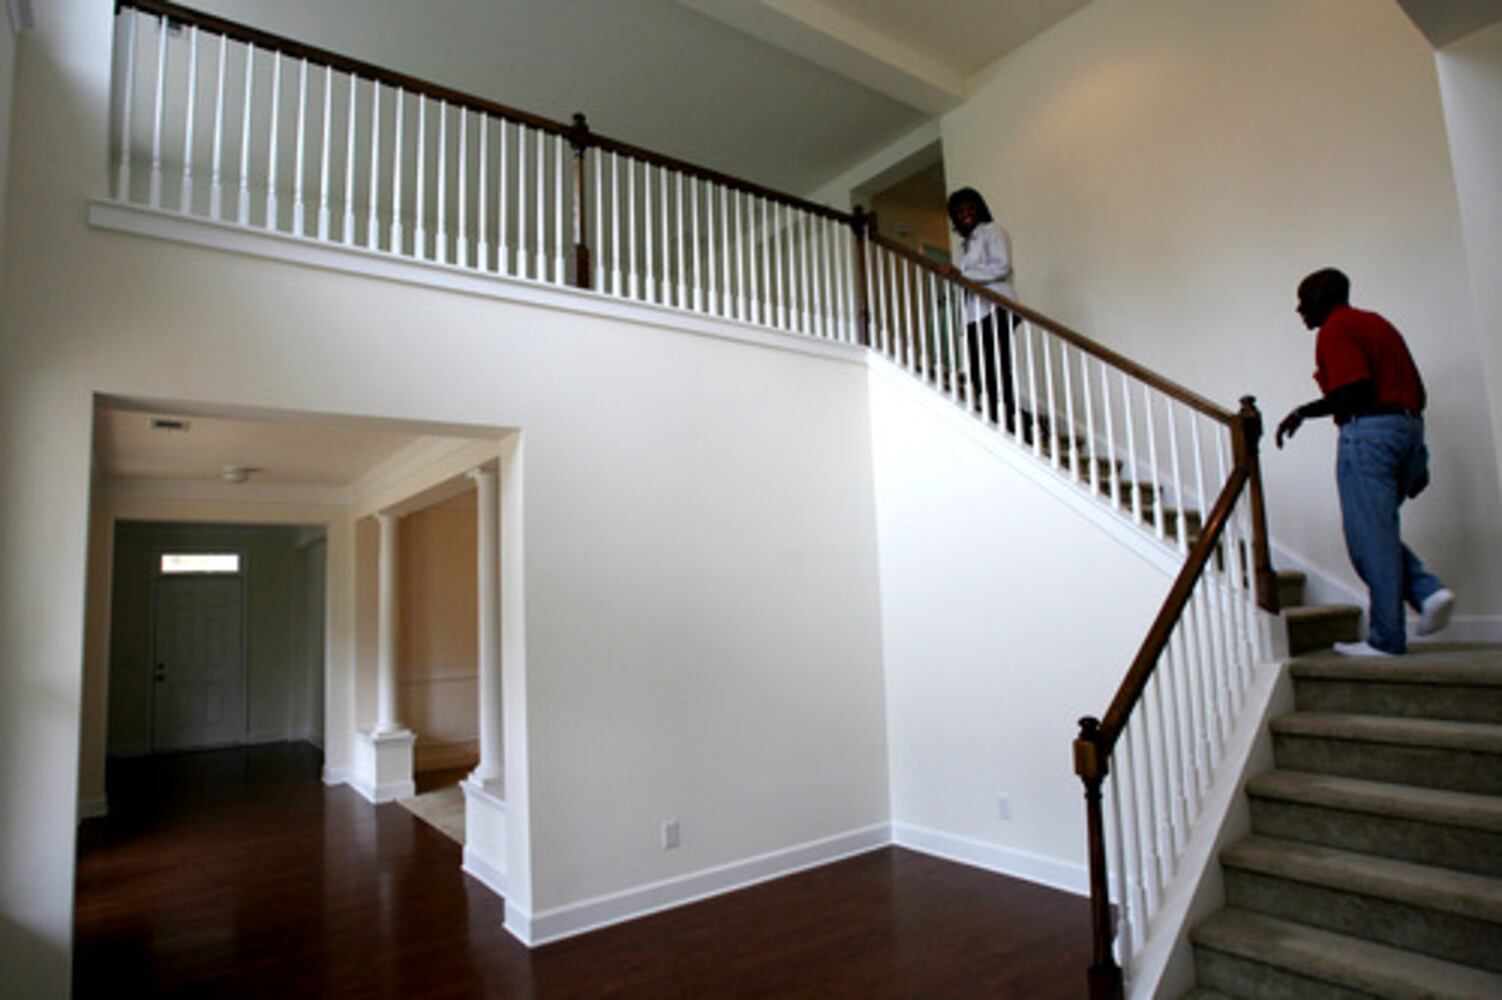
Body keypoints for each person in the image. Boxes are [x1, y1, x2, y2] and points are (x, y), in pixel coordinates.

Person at [1275, 267, 1454, 656]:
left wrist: (1302, 412)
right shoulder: (1378, 324)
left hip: (1369, 435)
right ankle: (1426, 592)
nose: (1299, 309)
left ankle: (1389, 636)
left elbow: (1355, 391)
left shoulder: (1335, 329)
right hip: (1408, 430)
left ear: (1324, 298)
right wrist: (1418, 453)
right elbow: (1417, 392)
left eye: (1304, 300)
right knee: (1378, 532)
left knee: (1366, 541)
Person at [946, 188, 1018, 434]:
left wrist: (962, 275)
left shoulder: (993, 231)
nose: (965, 214)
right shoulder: (965, 245)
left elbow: (1002, 266)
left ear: (979, 209)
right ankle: (999, 416)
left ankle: (1008, 421)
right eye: (959, 212)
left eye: (970, 208)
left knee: (998, 367)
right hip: (975, 312)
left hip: (997, 308)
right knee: (978, 372)